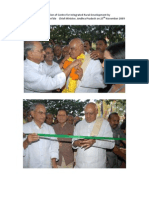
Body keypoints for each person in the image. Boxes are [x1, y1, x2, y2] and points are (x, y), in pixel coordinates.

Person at [72, 102, 115, 168]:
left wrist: (95, 142)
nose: (88, 116)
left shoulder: (104, 124)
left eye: (91, 113)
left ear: (96, 111)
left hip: (97, 166)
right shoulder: (79, 124)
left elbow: (111, 144)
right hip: (80, 166)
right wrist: (76, 143)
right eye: (86, 113)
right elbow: (73, 143)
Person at [23, 103, 59, 168]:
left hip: (46, 166)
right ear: (32, 113)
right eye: (41, 113)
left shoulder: (50, 128)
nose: (44, 116)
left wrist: (54, 163)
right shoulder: (24, 128)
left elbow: (54, 145)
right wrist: (26, 142)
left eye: (45, 113)